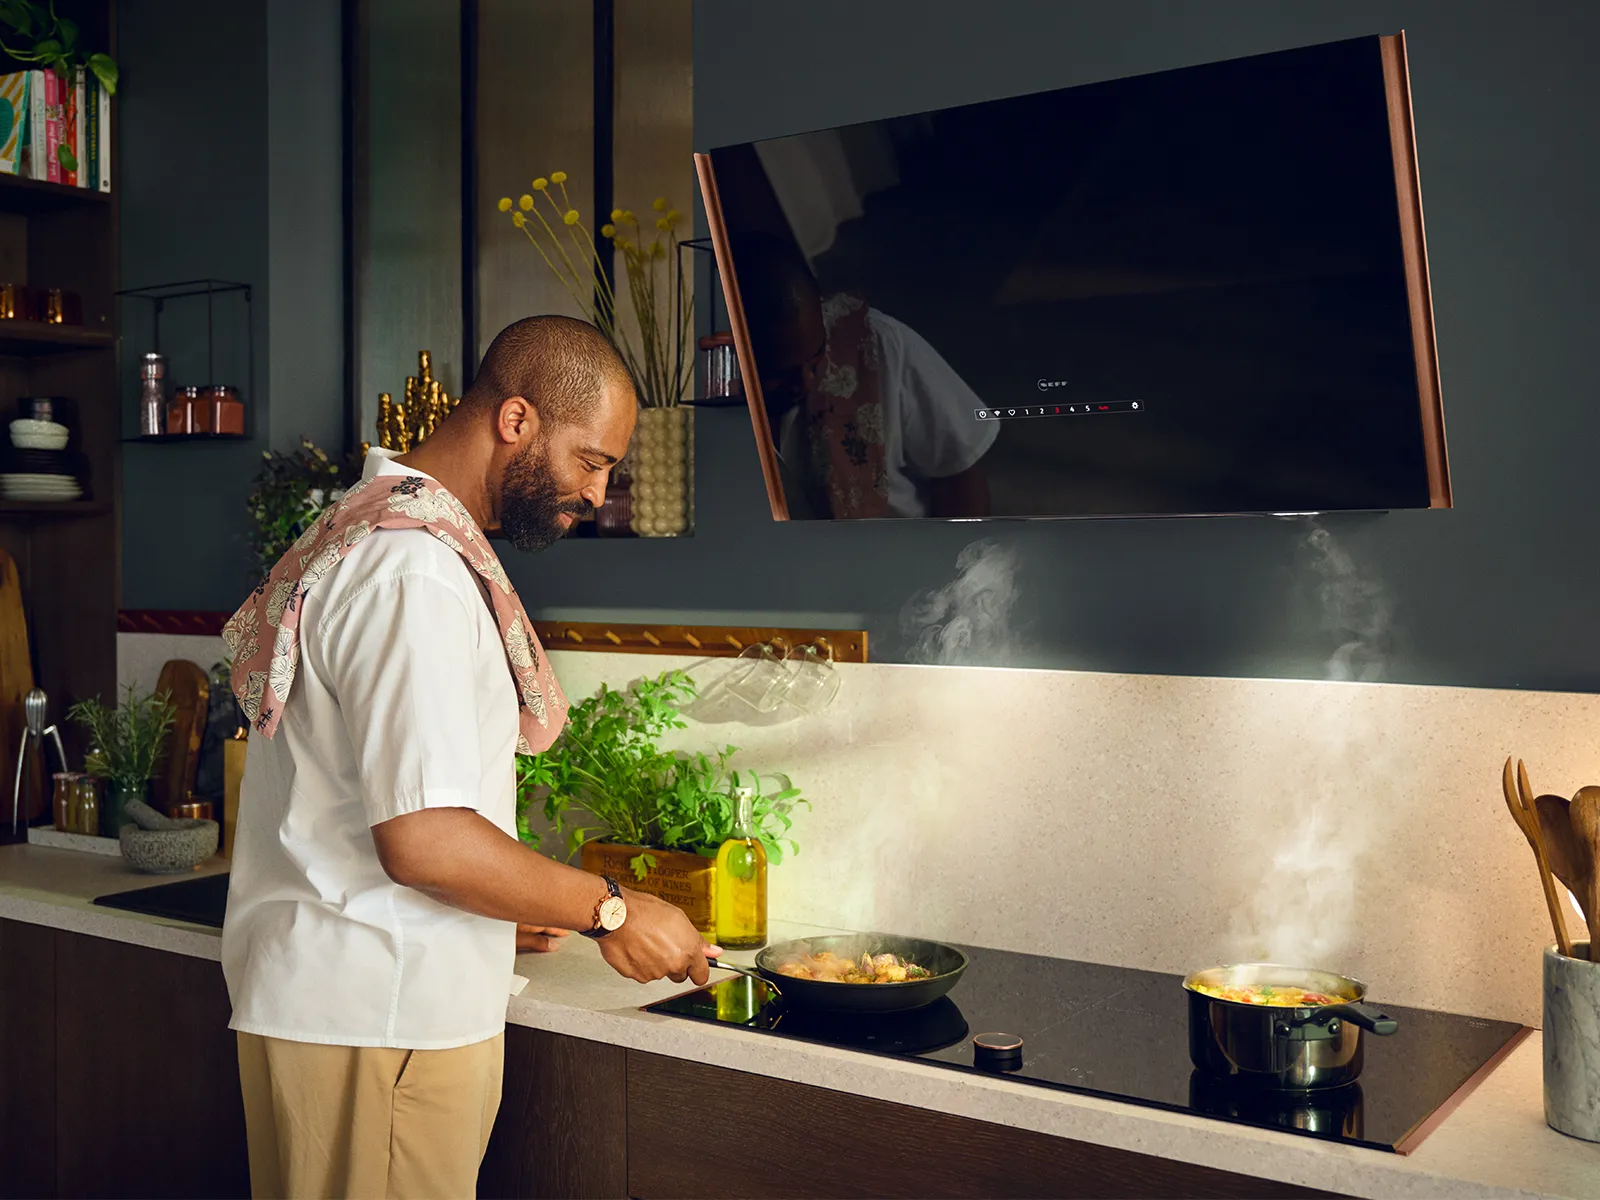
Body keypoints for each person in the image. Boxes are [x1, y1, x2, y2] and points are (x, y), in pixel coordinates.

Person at [219, 315, 719, 1199]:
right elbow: (426, 841)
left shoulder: (375, 531)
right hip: (377, 1015)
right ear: (517, 420)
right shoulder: (413, 574)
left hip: (364, 1007)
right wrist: (611, 910)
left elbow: (396, 813)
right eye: (591, 462)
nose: (597, 495)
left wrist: (498, 905)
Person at [730, 231, 997, 519]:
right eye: (779, 373)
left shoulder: (878, 344)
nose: (806, 381)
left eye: (816, 358)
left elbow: (958, 470)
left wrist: (952, 559)